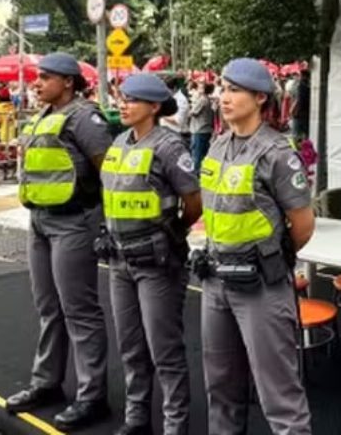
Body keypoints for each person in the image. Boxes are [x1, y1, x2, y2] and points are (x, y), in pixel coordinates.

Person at [197, 58, 316, 435]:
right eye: (221, 89)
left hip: (261, 288)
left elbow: (303, 226)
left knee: (279, 396)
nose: (223, 97)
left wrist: (269, 258)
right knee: (221, 387)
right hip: (216, 282)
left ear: (260, 98)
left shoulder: (277, 153)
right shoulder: (217, 147)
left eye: (234, 90)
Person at [5, 53, 113, 431]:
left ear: (68, 81)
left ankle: (91, 396)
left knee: (79, 311)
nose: (37, 83)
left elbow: (109, 173)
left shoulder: (86, 118)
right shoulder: (44, 116)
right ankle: (47, 383)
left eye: (45, 77)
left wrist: (106, 224)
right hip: (40, 221)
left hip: (74, 223)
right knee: (48, 308)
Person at [101, 73, 202, 435]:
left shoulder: (169, 147)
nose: (123, 104)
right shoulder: (118, 143)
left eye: (132, 99)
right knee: (130, 346)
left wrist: (173, 231)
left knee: (165, 350)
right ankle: (137, 417)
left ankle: (175, 425)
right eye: (122, 97)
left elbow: (194, 202)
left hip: (157, 265)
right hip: (119, 261)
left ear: (154, 107)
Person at [188, 81, 216, 174]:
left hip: (199, 129)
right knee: (203, 154)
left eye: (200, 87)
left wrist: (189, 110)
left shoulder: (202, 100)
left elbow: (193, 112)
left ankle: (195, 175)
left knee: (197, 155)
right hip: (206, 129)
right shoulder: (207, 99)